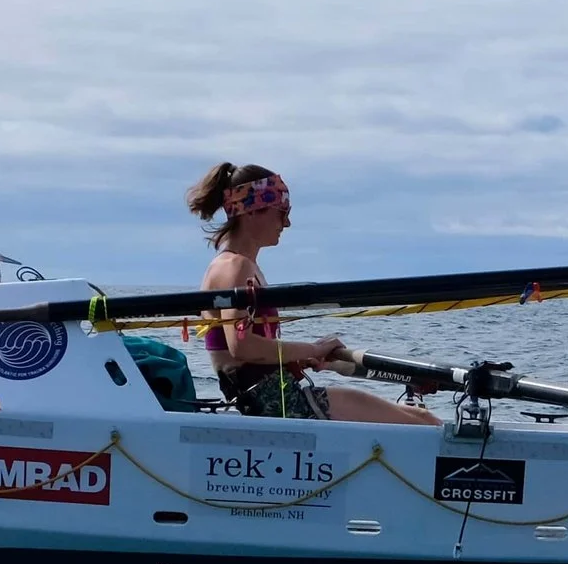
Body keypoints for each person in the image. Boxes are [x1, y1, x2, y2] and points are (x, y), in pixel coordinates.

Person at [188, 162, 440, 424]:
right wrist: (315, 348)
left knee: (421, 417)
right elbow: (242, 347)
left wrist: (304, 356)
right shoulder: (234, 267)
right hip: (277, 406)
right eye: (281, 211)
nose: (287, 222)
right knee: (425, 424)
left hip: (276, 400)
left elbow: (246, 355)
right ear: (251, 212)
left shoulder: (241, 266)